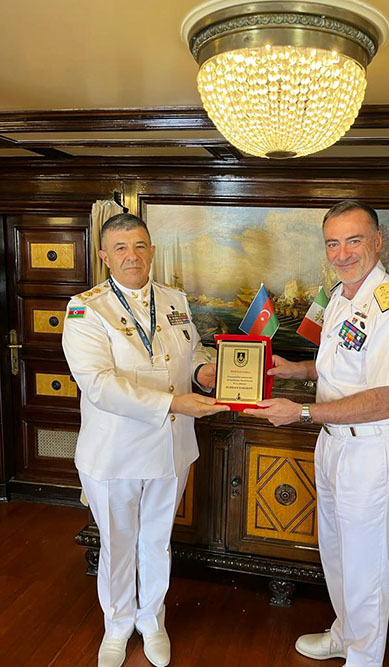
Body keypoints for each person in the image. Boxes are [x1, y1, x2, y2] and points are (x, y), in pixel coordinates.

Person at [245, 200, 389, 667]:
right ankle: (346, 634)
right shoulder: (342, 296)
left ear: (378, 242)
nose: (342, 254)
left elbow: (382, 399)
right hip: (334, 442)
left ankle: (365, 658)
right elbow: (340, 367)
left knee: (365, 564)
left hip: (371, 448)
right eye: (333, 243)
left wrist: (302, 412)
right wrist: (296, 369)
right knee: (338, 554)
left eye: (354, 241)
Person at [62, 213, 229, 667]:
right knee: (117, 544)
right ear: (104, 256)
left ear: (152, 250)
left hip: (171, 447)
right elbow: (99, 385)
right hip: (114, 451)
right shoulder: (85, 309)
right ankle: (117, 625)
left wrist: (203, 371)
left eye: (139, 246)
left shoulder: (174, 299)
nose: (131, 256)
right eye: (120, 248)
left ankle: (152, 620)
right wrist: (176, 401)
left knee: (157, 540)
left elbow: (189, 352)